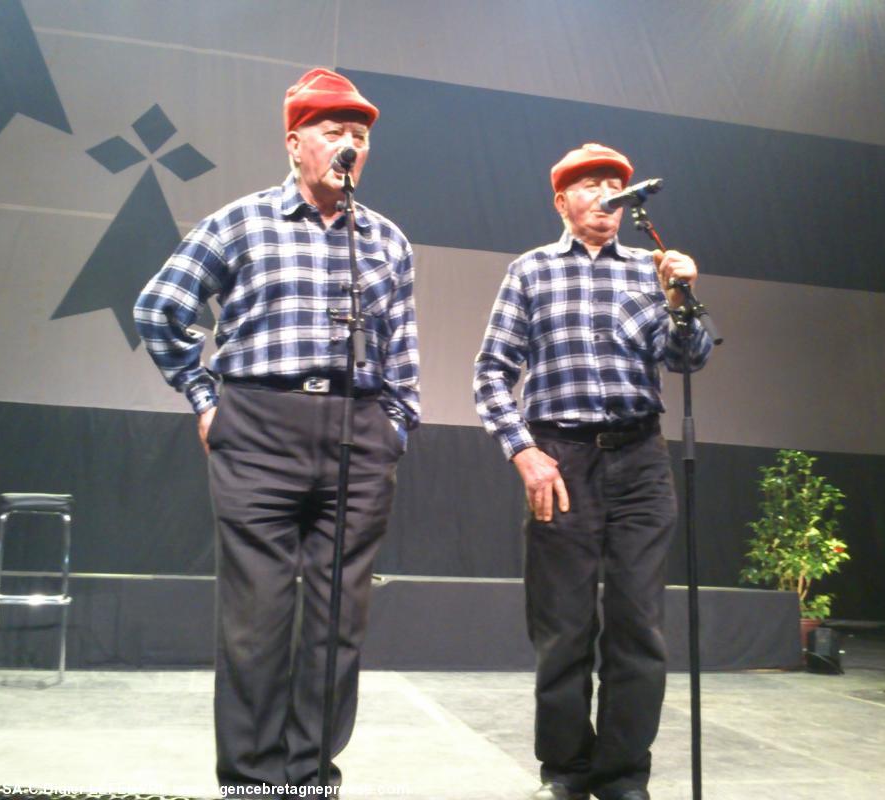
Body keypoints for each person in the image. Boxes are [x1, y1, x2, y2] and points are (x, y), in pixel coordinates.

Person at [134, 68, 419, 794]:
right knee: (258, 618)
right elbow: (158, 309)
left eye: (358, 135)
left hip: (357, 429)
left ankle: (309, 776)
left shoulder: (385, 239)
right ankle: (253, 782)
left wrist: (393, 427)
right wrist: (204, 396)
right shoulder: (240, 222)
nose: (348, 145)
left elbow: (402, 354)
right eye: (333, 133)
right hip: (260, 424)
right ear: (296, 144)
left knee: (336, 622)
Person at [473, 143, 713, 800]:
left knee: (637, 623)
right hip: (562, 459)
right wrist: (524, 451)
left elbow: (687, 358)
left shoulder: (650, 269)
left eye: (614, 185)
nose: (604, 197)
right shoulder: (531, 271)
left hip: (638, 457)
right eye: (589, 186)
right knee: (564, 625)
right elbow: (491, 372)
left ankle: (623, 774)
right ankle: (567, 770)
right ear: (562, 201)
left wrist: (680, 295)